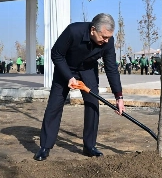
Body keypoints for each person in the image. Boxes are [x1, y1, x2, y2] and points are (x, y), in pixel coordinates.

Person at [34, 13, 125, 161]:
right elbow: (56, 54)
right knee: (54, 106)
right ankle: (45, 146)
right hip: (65, 69)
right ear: (92, 30)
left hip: (88, 71)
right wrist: (69, 77)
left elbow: (111, 68)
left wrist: (119, 96)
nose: (106, 40)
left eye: (109, 37)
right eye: (103, 37)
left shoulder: (108, 41)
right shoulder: (73, 31)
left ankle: (89, 146)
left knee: (92, 105)